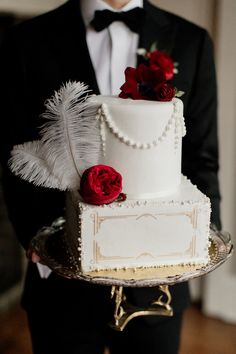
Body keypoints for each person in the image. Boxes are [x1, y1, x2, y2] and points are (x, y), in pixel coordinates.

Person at [0, 0, 221, 353]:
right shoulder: (25, 40)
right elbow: (13, 154)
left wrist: (200, 238)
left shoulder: (190, 40)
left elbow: (203, 156)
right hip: (60, 285)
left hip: (158, 287)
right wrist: (36, 237)